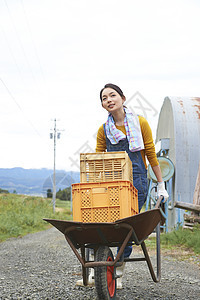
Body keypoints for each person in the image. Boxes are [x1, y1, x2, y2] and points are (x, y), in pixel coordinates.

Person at [95, 83, 169, 288]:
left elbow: (151, 155)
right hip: (112, 183)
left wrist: (161, 184)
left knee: (127, 226)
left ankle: (117, 271)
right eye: (104, 98)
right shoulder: (104, 131)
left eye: (112, 95)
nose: (109, 100)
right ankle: (101, 268)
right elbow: (97, 159)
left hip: (137, 182)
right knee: (103, 223)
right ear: (102, 105)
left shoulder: (140, 123)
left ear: (123, 98)